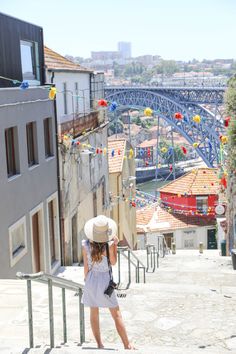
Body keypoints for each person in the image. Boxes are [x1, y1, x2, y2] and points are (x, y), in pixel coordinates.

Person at [82, 215, 134, 350]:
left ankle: (99, 344)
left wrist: (87, 281)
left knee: (94, 313)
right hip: (105, 281)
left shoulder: (86, 245)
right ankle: (127, 345)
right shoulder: (108, 245)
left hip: (91, 280)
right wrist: (115, 246)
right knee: (116, 314)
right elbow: (113, 262)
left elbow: (86, 267)